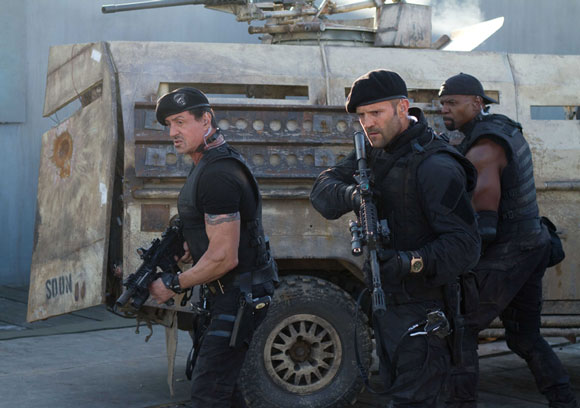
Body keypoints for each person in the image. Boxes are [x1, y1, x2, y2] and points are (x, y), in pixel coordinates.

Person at [310, 69, 481, 407]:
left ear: (402, 108)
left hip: (426, 309)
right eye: (362, 116)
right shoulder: (375, 152)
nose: (368, 123)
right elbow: (322, 191)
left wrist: (409, 262)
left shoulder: (436, 166)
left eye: (376, 112)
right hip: (389, 307)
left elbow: (465, 246)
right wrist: (354, 195)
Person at [439, 73, 578, 408]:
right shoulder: (501, 129)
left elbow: (485, 217)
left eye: (452, 103)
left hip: (511, 250)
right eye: (442, 103)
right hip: (532, 243)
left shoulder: (486, 145)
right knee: (524, 337)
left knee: (462, 326)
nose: (444, 109)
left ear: (477, 103)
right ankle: (563, 400)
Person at [149, 87, 279, 408]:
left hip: (237, 295)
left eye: (180, 122)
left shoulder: (218, 173)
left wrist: (172, 284)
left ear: (206, 120)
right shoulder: (206, 162)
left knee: (209, 393)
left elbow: (223, 257)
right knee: (225, 392)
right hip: (227, 294)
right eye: (168, 124)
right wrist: (191, 245)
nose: (172, 132)